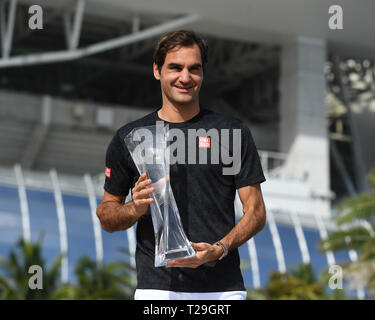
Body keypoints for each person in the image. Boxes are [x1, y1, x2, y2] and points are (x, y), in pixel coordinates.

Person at [96, 30, 266, 300]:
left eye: (194, 69)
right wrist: (136, 207)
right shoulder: (132, 137)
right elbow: (107, 216)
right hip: (157, 290)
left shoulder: (232, 132)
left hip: (223, 291)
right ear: (157, 70)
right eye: (175, 67)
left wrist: (219, 249)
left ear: (203, 74)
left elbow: (256, 212)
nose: (185, 78)